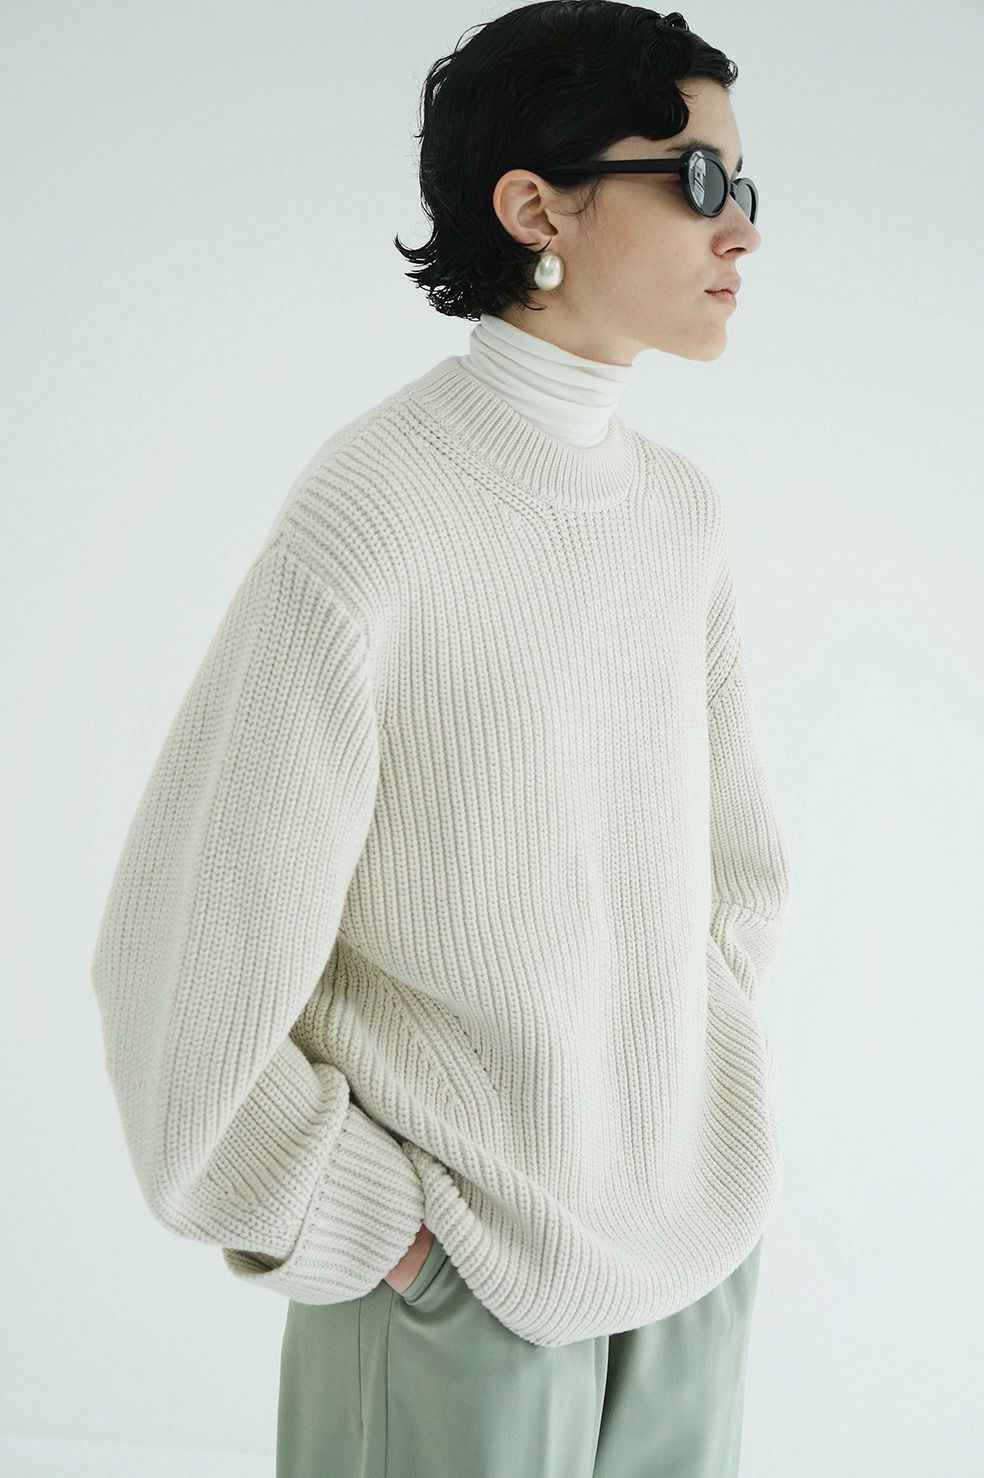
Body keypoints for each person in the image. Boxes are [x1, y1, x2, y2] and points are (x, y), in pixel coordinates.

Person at [91, 5, 792, 1475]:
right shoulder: (379, 512)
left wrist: (689, 1096)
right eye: (698, 181)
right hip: (457, 1279)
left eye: (748, 184)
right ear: (537, 208)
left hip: (690, 1253)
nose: (741, 229)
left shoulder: (680, 513)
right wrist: (381, 1231)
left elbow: (733, 875)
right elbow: (184, 956)